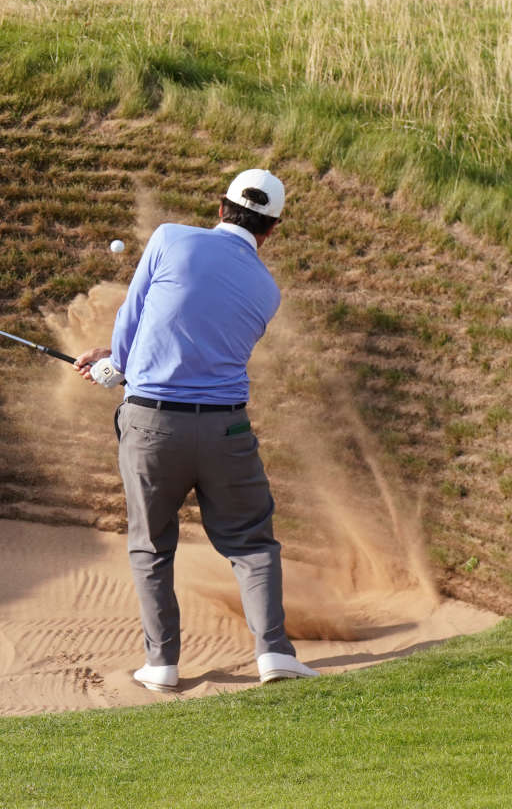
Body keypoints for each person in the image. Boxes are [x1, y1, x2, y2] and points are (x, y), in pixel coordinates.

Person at [75, 168, 319, 693]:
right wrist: (121, 361)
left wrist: (114, 363)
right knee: (251, 542)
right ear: (271, 229)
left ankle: (161, 664)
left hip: (152, 425)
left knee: (151, 545)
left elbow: (135, 313)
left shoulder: (168, 238)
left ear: (219, 206)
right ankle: (273, 652)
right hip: (226, 431)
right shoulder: (267, 290)